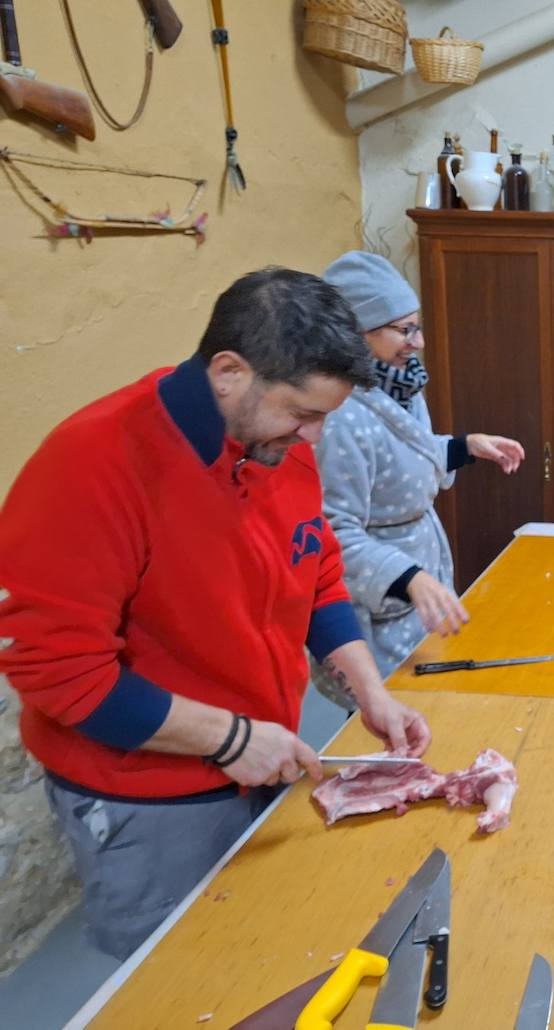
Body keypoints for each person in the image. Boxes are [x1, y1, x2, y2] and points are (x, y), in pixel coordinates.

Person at [0, 268, 432, 959]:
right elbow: (60, 675)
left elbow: (315, 572)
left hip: (260, 758)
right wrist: (232, 739)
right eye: (303, 413)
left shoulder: (277, 447)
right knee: (175, 981)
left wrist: (367, 690)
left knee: (255, 955)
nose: (314, 438)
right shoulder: (92, 463)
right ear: (229, 372)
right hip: (150, 794)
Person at [316, 251, 524, 687]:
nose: (418, 342)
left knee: (426, 693)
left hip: (419, 577)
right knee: (383, 708)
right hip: (380, 592)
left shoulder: (400, 384)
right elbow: (333, 529)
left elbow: (408, 455)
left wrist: (467, 447)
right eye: (404, 329)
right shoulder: (340, 416)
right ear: (357, 333)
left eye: (417, 326)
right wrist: (406, 577)